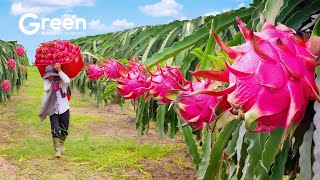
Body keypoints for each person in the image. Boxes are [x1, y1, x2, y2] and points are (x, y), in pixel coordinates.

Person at [39, 63, 70, 158]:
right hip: (53, 110)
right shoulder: (47, 83)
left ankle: (62, 144)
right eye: (49, 76)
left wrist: (60, 71)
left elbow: (67, 80)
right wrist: (53, 83)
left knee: (64, 129)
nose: (51, 77)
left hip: (64, 108)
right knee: (55, 129)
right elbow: (46, 88)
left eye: (52, 75)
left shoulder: (62, 81)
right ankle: (57, 151)